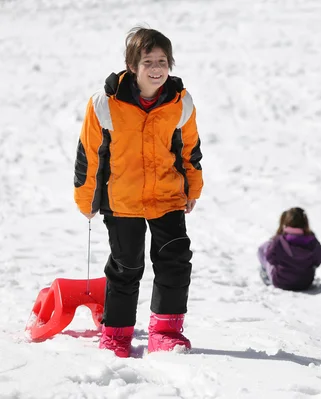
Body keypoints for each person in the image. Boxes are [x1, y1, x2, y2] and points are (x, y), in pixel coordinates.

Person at [73, 27, 203, 357]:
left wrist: (193, 187)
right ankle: (116, 332)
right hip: (123, 200)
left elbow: (190, 149)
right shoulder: (104, 104)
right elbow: (89, 153)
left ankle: (166, 331)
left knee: (175, 261)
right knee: (126, 266)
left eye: (162, 61)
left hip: (167, 196)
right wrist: (86, 197)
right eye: (148, 61)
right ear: (133, 65)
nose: (156, 68)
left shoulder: (180, 102)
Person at [258, 207, 321, 291]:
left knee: (263, 248)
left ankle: (266, 276)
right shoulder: (312, 241)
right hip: (305, 283)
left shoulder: (279, 241)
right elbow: (319, 257)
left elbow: (270, 257)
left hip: (280, 282)